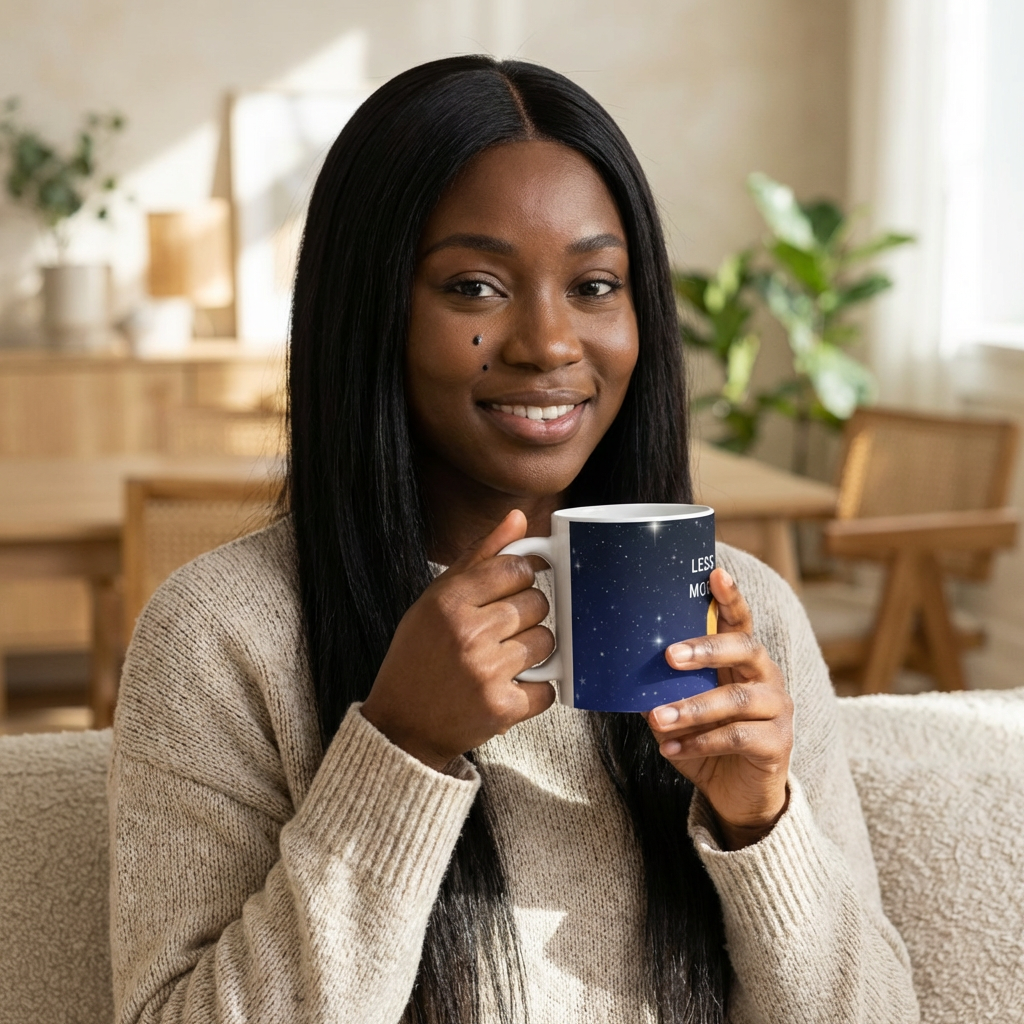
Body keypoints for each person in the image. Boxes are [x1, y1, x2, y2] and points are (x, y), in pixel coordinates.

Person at [108, 56, 919, 1024]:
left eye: (594, 283)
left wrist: (760, 825)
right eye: (476, 286)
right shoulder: (223, 633)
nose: (547, 341)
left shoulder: (743, 617)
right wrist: (399, 747)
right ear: (371, 310)